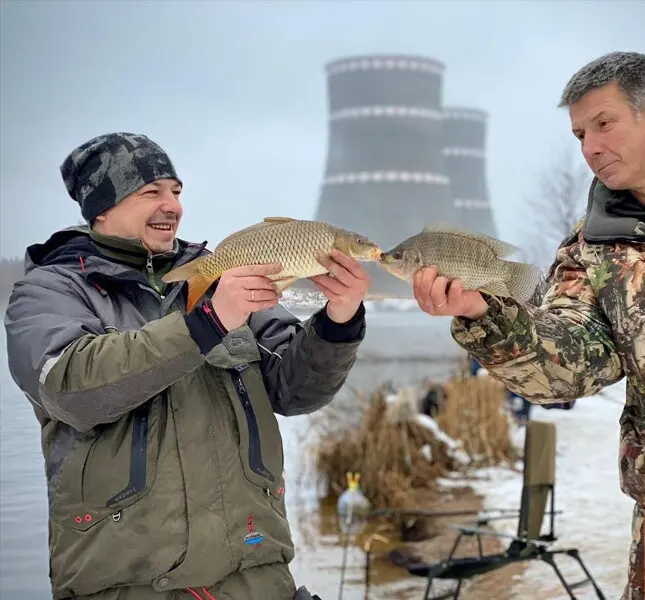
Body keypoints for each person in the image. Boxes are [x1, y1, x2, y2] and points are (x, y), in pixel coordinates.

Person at [411, 52, 645, 600]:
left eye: (604, 123)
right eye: (578, 134)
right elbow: (569, 365)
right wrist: (484, 315)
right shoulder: (591, 248)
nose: (590, 146)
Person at [3, 132, 370, 600]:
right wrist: (206, 324)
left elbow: (294, 391)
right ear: (101, 208)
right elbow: (71, 390)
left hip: (258, 577)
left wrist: (339, 320)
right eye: (150, 192)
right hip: (127, 586)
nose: (172, 205)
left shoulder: (224, 272)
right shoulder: (50, 291)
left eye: (176, 191)